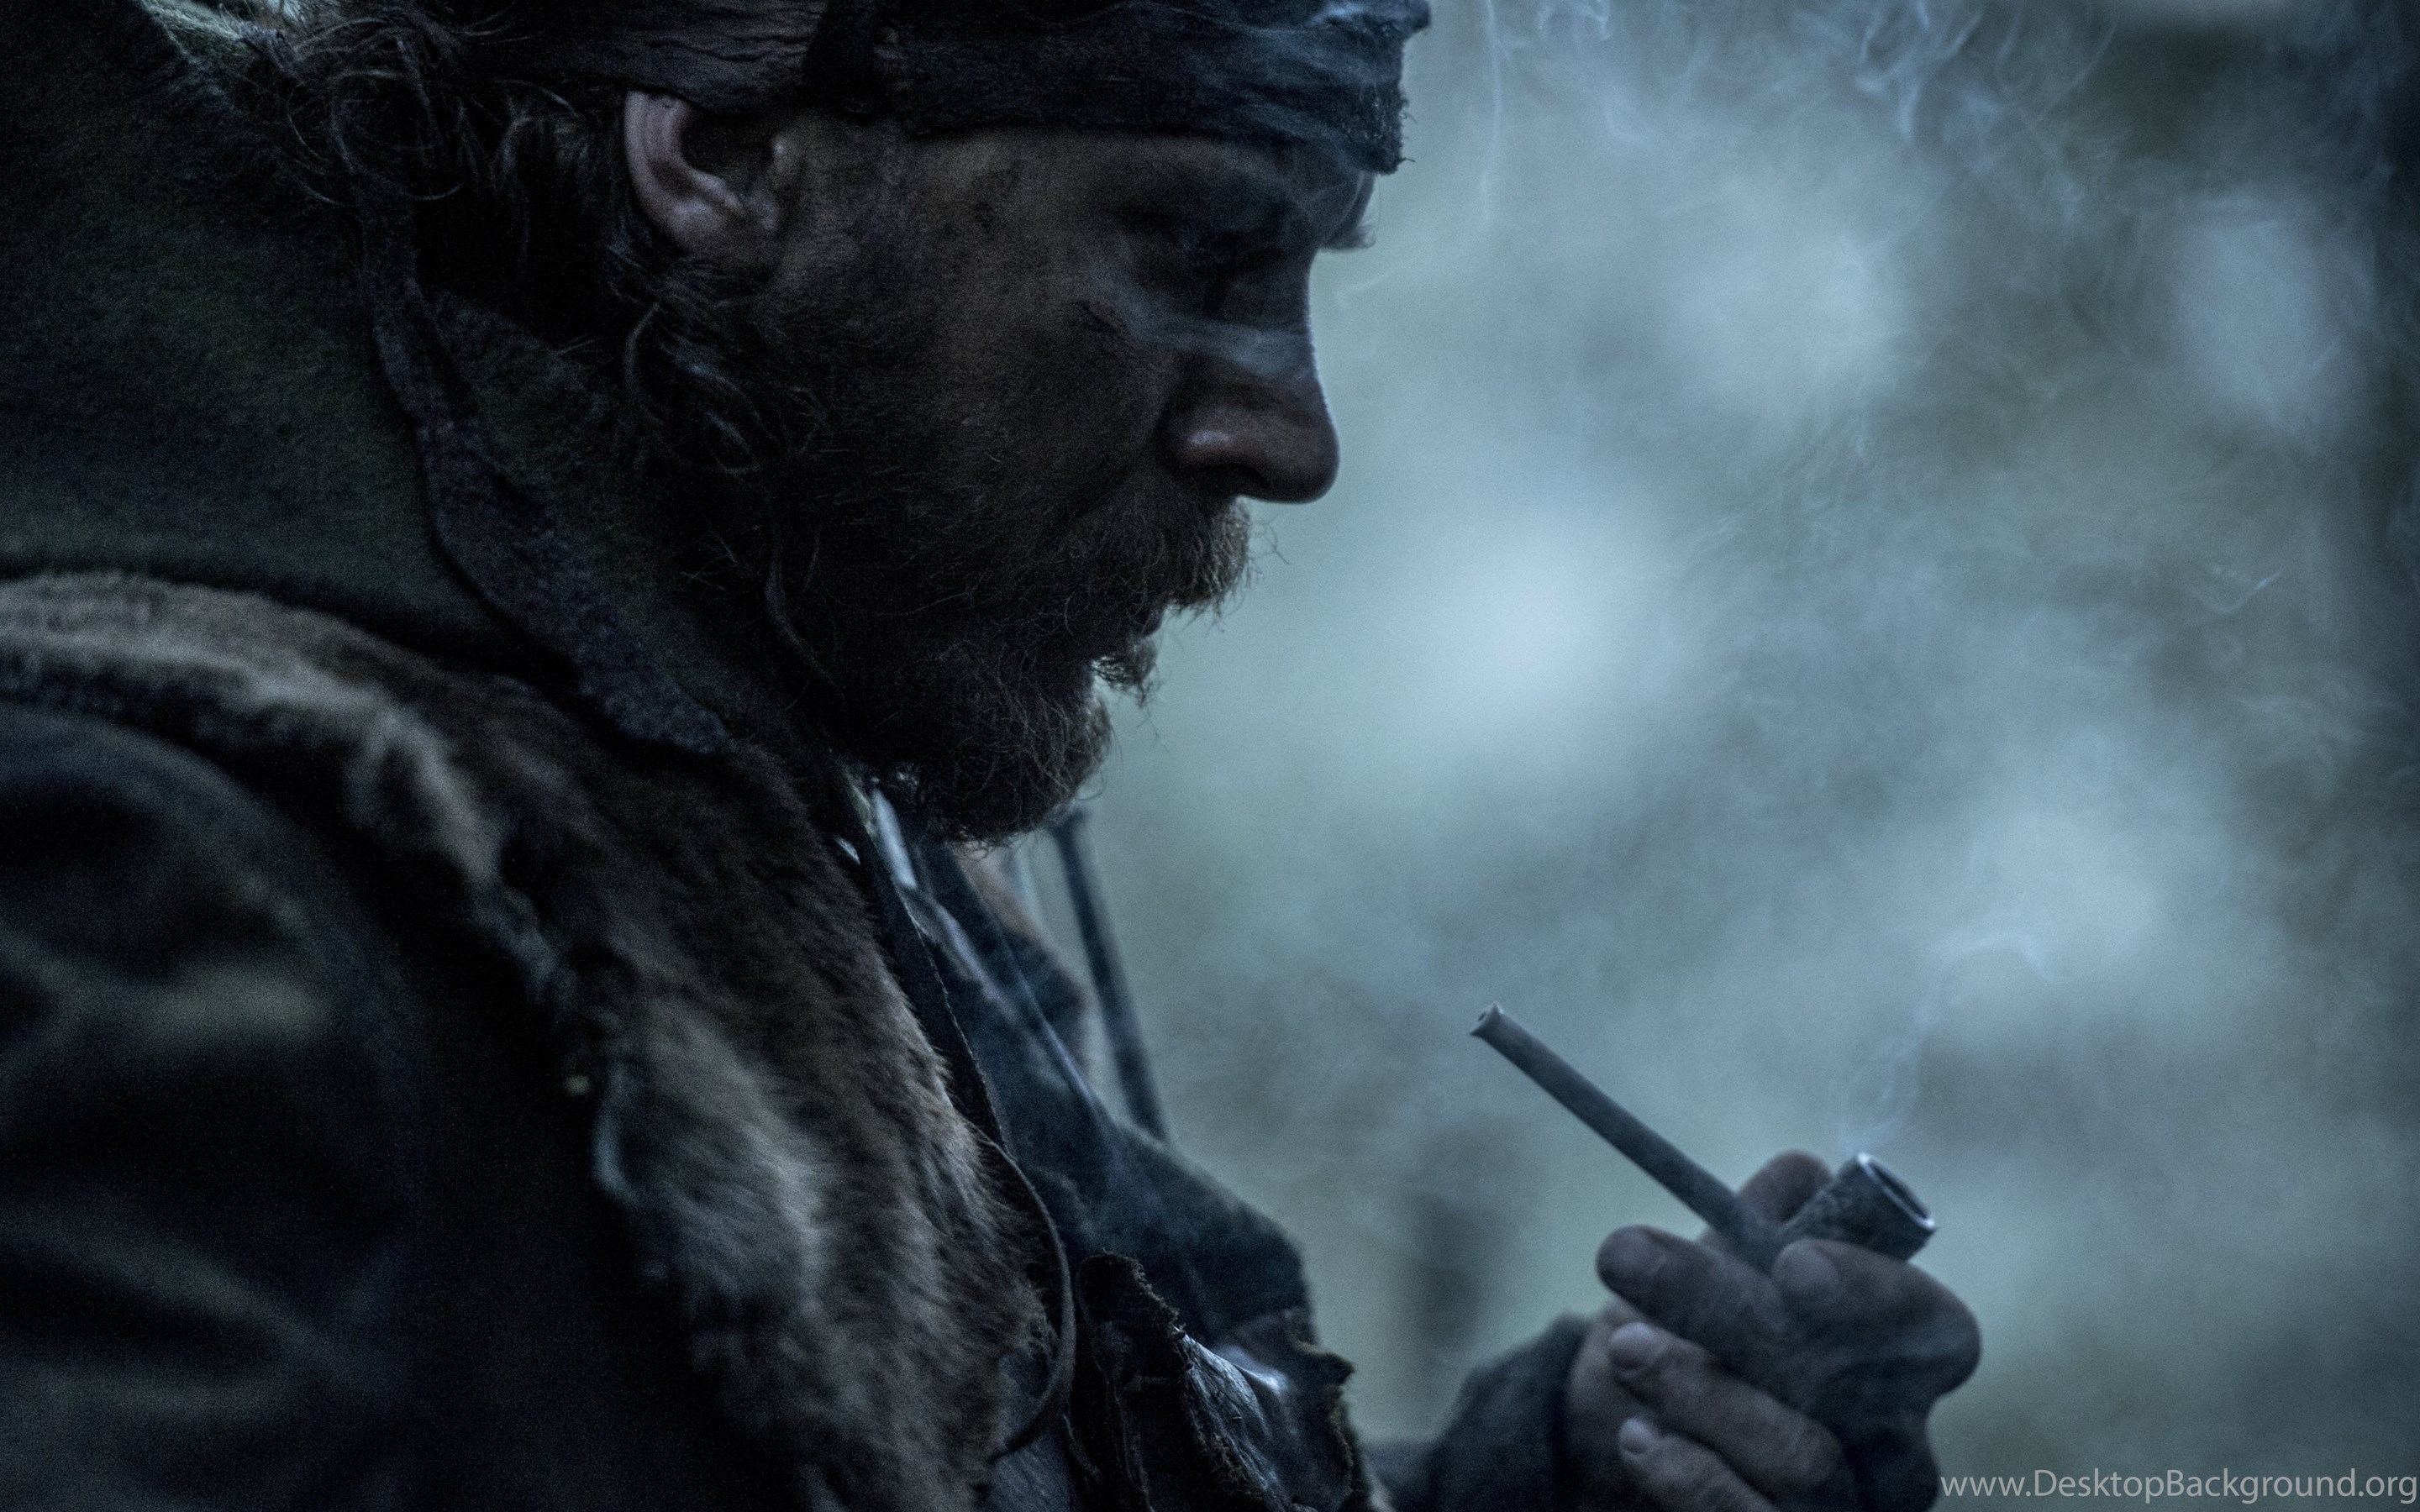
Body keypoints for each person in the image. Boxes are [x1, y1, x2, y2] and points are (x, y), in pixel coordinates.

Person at [0, 0, 1980, 1508]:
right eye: (1197, 257)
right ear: (723, 157)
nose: (1293, 441)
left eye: (1300, 284)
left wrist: (1567, 1477)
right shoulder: (171, 887)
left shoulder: (785, 780)